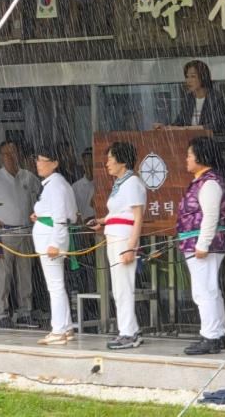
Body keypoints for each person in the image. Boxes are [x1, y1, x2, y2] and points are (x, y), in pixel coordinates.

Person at [178, 138, 225, 355]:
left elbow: (211, 216)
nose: (187, 159)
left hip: (203, 245)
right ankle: (217, 334)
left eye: (190, 155)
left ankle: (210, 336)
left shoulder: (209, 183)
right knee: (210, 290)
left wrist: (203, 244)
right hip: (197, 243)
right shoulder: (203, 181)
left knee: (204, 291)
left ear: (201, 157)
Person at [90, 142, 145, 349]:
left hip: (124, 239)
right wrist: (101, 222)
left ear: (122, 161)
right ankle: (131, 329)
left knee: (123, 287)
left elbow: (138, 217)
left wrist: (131, 246)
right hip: (114, 236)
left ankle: (128, 333)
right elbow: (117, 213)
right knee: (119, 287)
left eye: (110, 159)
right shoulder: (121, 183)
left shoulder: (132, 183)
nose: (107, 163)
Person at [0, 141, 41, 328]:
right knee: (3, 275)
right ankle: (1, 314)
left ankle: (25, 311)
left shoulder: (28, 177)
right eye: (5, 154)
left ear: (18, 154)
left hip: (25, 230)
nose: (9, 157)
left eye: (12, 152)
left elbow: (42, 196)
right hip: (4, 233)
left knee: (25, 274)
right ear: (0, 157)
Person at [31, 146, 78, 345]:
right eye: (37, 160)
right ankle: (66, 327)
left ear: (55, 163)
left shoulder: (56, 185)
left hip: (51, 240)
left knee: (55, 286)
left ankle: (58, 330)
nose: (38, 164)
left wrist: (55, 243)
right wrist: (40, 216)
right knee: (57, 285)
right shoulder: (55, 183)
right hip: (49, 237)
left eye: (43, 160)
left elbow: (60, 217)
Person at [172, 60, 225, 132]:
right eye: (187, 77)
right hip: (190, 138)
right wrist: (164, 127)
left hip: (210, 139)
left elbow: (217, 125)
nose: (188, 80)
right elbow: (179, 122)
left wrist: (189, 129)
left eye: (193, 76)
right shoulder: (189, 99)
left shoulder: (218, 98)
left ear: (203, 77)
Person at [72, 148, 95, 224]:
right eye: (85, 163)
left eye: (90, 163)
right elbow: (74, 211)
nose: (88, 167)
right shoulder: (75, 187)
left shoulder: (101, 185)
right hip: (84, 227)